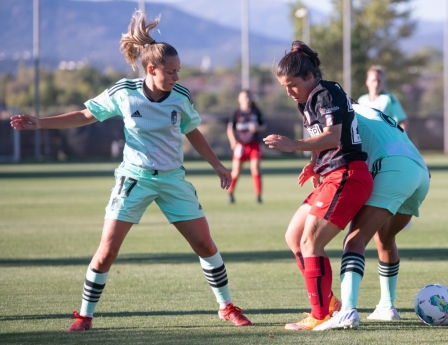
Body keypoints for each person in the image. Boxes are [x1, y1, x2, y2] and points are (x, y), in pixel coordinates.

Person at [9, 10, 252, 332]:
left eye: (179, 71)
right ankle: (84, 316)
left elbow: (193, 131)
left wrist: (218, 166)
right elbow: (85, 115)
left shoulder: (180, 97)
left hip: (172, 179)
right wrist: (41, 123)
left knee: (206, 246)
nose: (177, 78)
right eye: (171, 72)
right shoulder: (124, 91)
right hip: (134, 178)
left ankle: (227, 307)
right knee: (107, 250)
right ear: (151, 69)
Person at [263, 40, 374, 331]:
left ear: (310, 76)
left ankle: (320, 312)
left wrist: (292, 145)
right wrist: (315, 163)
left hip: (347, 175)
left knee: (311, 242)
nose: (288, 92)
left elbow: (333, 137)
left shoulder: (326, 92)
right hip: (333, 175)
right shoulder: (308, 99)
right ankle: (330, 304)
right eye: (284, 86)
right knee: (294, 236)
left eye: (291, 85)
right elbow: (321, 138)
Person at [313, 103, 430, 331]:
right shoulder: (369, 111)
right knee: (384, 239)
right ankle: (386, 306)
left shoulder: (340, 114)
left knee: (354, 240)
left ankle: (347, 311)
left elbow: (340, 154)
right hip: (420, 171)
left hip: (393, 168)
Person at [226, 89, 266, 204]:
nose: (246, 100)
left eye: (248, 97)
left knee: (255, 169)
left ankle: (258, 196)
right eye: (244, 98)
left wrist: (257, 128)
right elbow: (230, 129)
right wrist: (233, 142)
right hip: (241, 145)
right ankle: (230, 193)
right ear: (239, 100)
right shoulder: (236, 113)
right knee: (236, 171)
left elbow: (263, 126)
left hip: (254, 144)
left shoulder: (256, 111)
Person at [357, 65, 409, 130]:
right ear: (367, 82)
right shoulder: (361, 100)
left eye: (379, 81)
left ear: (383, 82)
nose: (376, 84)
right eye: (373, 80)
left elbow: (402, 121)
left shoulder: (389, 98)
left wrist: (399, 138)